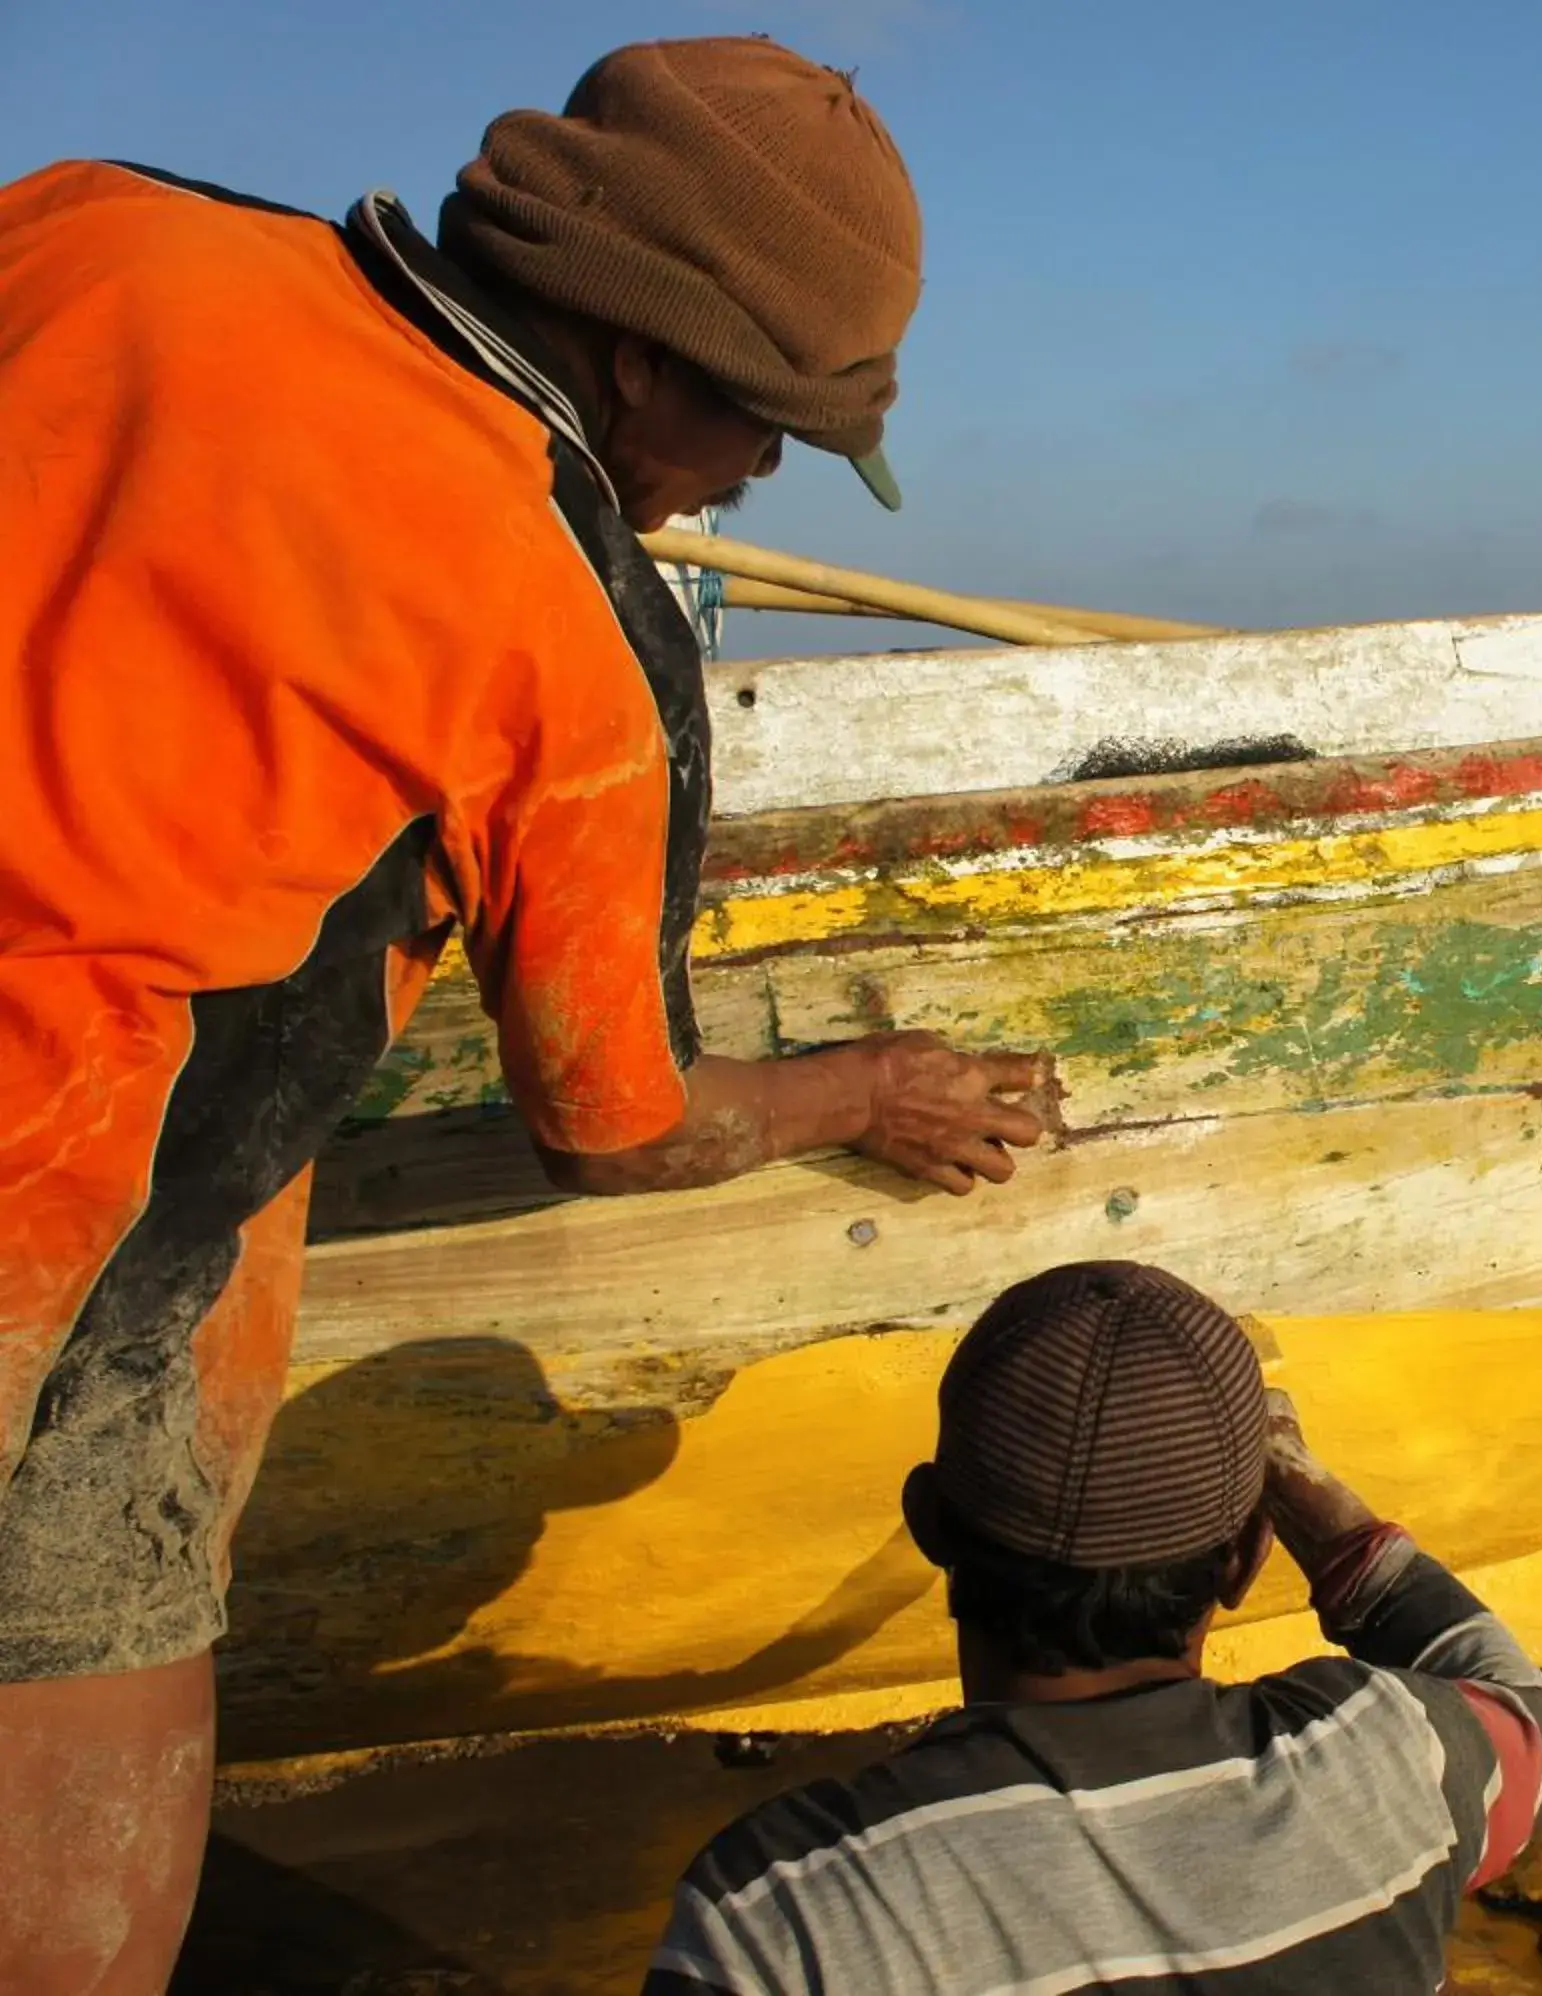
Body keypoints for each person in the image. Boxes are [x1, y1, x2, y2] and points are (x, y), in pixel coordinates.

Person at [0, 39, 1052, 1994]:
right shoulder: (572, 622)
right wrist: (865, 1085)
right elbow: (613, 1117)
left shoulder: (102, 223)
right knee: (88, 1733)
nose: (747, 483)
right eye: (765, 435)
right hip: (49, 1224)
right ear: (644, 357)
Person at [646, 1262, 1542, 1996]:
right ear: (1249, 1558)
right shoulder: (1388, 1760)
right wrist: (1310, 1496)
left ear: (929, 1523)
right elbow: (1538, 1727)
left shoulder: (782, 1914)